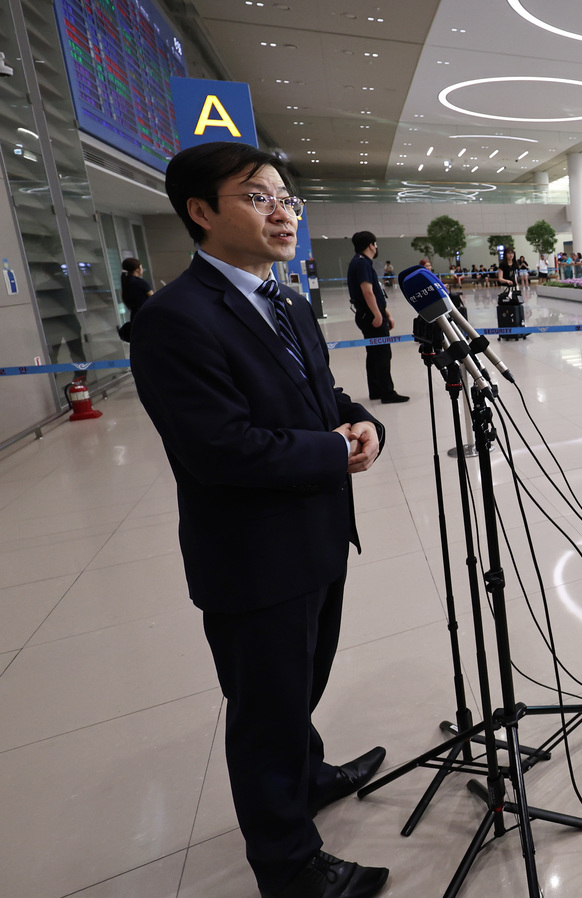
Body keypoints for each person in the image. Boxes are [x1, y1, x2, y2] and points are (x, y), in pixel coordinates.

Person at [129, 141, 390, 898]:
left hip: (317, 536)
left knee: (298, 686)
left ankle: (306, 777)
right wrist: (332, 453)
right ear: (202, 212)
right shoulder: (173, 319)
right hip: (253, 556)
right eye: (257, 196)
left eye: (287, 198)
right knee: (265, 712)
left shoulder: (289, 301)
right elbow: (220, 450)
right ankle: (288, 865)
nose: (282, 211)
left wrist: (361, 423)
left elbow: (324, 399)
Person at [348, 231, 407, 404]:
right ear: (370, 245)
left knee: (374, 353)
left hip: (369, 313)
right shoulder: (361, 263)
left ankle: (376, 390)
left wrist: (386, 313)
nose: (376, 247)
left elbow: (377, 292)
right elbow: (368, 291)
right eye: (375, 244)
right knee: (382, 354)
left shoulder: (362, 262)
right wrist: (377, 314)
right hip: (370, 315)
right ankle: (387, 392)